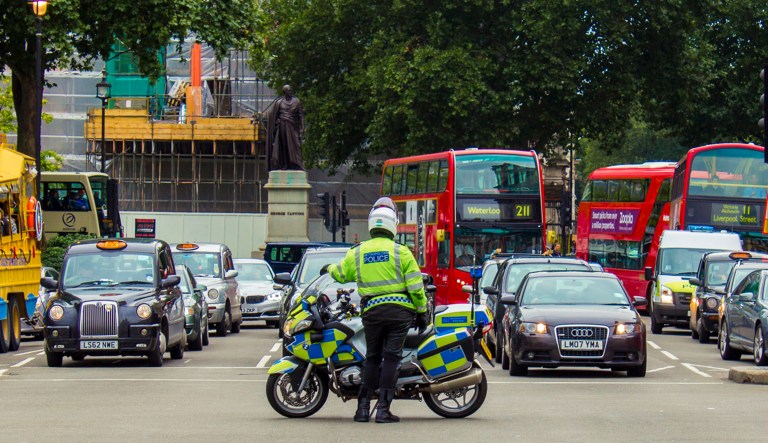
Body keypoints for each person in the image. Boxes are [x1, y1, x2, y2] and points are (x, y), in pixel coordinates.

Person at [326, 197, 427, 424]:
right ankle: (383, 410)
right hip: (399, 313)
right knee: (392, 358)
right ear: (393, 224)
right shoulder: (401, 252)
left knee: (372, 357)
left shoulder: (358, 252)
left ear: (372, 224)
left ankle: (362, 410)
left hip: (371, 312)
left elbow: (341, 275)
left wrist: (329, 267)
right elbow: (415, 286)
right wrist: (422, 311)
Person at [268, 85, 305, 171]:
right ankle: (284, 164)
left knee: (296, 144)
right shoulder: (279, 102)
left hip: (293, 126)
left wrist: (303, 128)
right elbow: (273, 115)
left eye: (291, 90)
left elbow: (301, 115)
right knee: (283, 146)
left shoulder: (297, 101)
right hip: (282, 126)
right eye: (288, 90)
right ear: (284, 92)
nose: (290, 91)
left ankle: (298, 164)